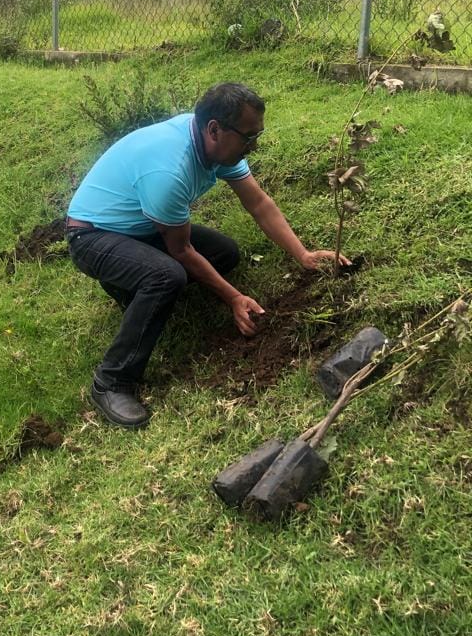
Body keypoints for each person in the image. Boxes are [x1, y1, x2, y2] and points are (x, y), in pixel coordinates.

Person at [66, 82, 347, 429]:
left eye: (257, 135)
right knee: (167, 275)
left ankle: (134, 291)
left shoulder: (214, 144)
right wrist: (234, 298)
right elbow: (181, 251)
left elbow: (258, 203)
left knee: (224, 253)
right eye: (249, 137)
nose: (254, 146)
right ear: (214, 129)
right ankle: (112, 381)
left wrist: (302, 254)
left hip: (138, 227)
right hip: (93, 235)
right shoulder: (170, 170)